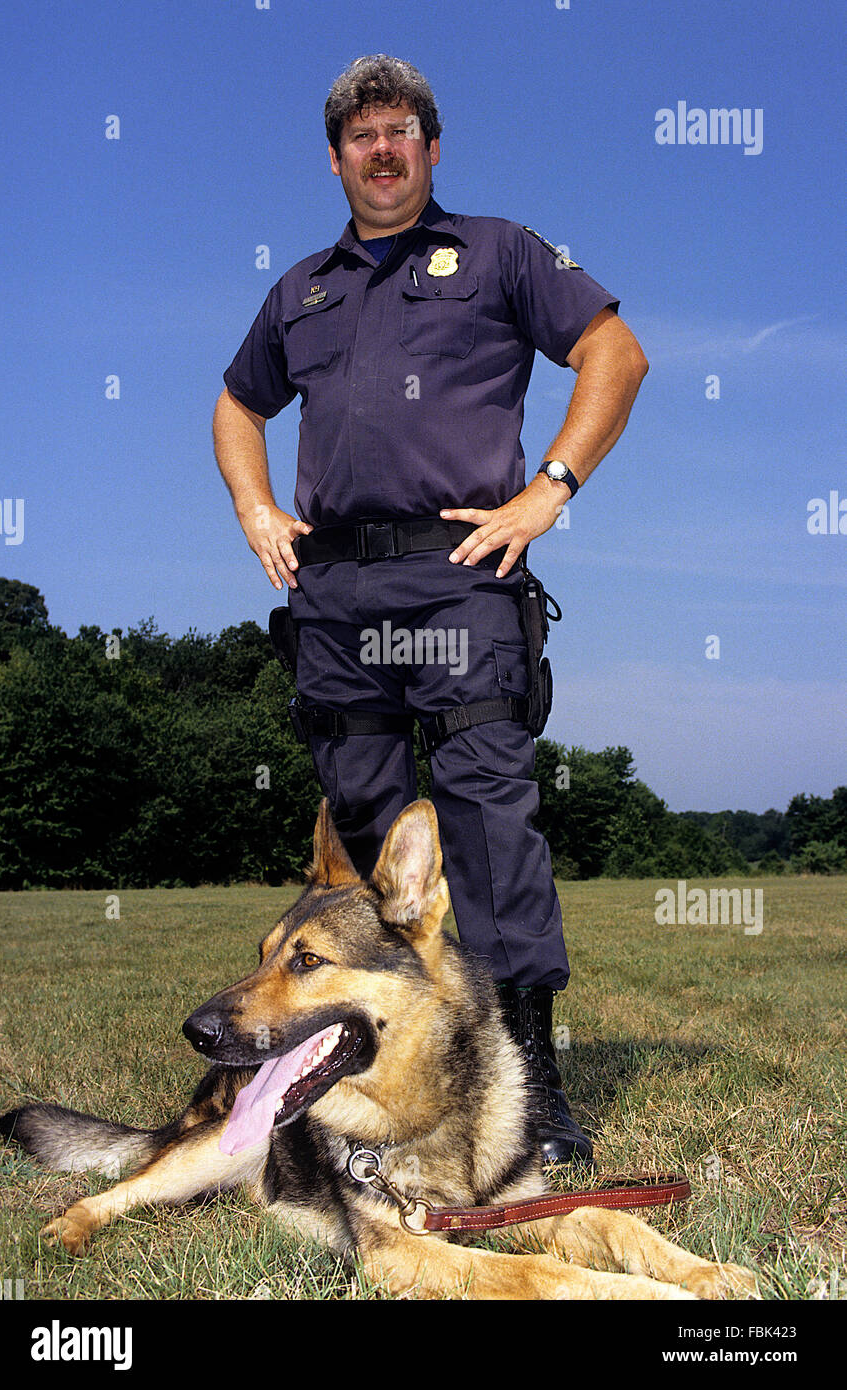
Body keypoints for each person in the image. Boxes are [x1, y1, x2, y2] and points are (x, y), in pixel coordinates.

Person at [213, 55, 648, 1171]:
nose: (382, 150)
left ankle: (532, 1090)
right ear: (335, 157)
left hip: (458, 576)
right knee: (356, 849)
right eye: (361, 137)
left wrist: (548, 488)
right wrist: (256, 505)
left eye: (401, 130)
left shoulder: (497, 250)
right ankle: (345, 1079)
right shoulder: (299, 289)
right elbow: (235, 402)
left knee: (487, 826)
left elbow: (613, 351)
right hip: (333, 594)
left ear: (431, 146)